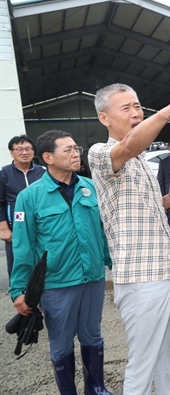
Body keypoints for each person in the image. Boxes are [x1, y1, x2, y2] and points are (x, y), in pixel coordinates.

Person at [88, 81, 170, 394]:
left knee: (167, 352)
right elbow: (128, 147)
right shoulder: (101, 153)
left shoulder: (142, 162)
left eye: (138, 106)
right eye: (126, 108)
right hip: (142, 277)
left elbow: (150, 209)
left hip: (169, 268)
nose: (135, 112)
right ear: (105, 118)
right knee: (142, 363)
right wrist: (167, 113)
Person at [9, 130, 113, 395]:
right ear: (48, 158)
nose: (76, 153)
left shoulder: (89, 187)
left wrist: (115, 264)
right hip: (56, 283)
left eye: (76, 148)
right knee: (62, 344)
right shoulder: (29, 197)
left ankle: (96, 388)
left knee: (92, 335)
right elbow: (23, 247)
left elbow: (102, 233)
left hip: (92, 278)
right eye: (67, 150)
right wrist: (19, 288)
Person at [0, 135, 45, 279]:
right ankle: (21, 297)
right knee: (18, 265)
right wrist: (4, 228)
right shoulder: (3, 173)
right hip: (16, 229)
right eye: (19, 149)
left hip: (42, 228)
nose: (24, 153)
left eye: (28, 149)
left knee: (44, 263)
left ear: (33, 151)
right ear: (11, 152)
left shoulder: (43, 172)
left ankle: (45, 299)